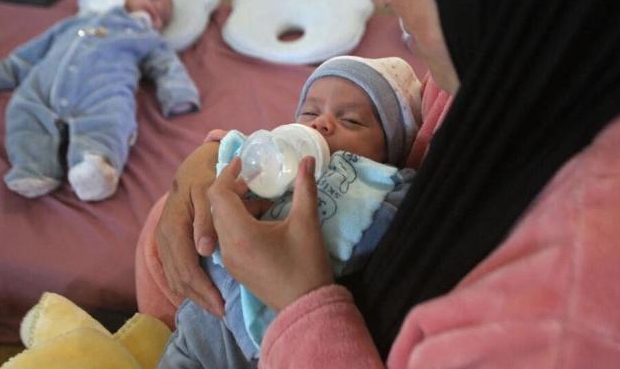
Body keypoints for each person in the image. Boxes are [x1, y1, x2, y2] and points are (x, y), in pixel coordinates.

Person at [152, 0, 620, 366]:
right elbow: (410, 127)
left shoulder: (566, 331)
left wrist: (298, 301)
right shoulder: (588, 39)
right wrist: (217, 155)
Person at [156, 55, 421, 368]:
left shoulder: (379, 185)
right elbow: (228, 155)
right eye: (309, 112)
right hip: (204, 329)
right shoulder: (274, 166)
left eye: (350, 120)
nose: (320, 123)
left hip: (285, 343)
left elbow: (403, 214)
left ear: (388, 153)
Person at [0, 0, 200, 201]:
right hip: (44, 85)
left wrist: (178, 93)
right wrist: (0, 71)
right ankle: (33, 167)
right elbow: (32, 53)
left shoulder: (146, 36)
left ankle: (95, 167)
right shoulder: (75, 22)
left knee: (113, 118)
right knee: (24, 112)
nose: (157, 8)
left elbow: (168, 66)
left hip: (103, 90)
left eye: (164, 16)